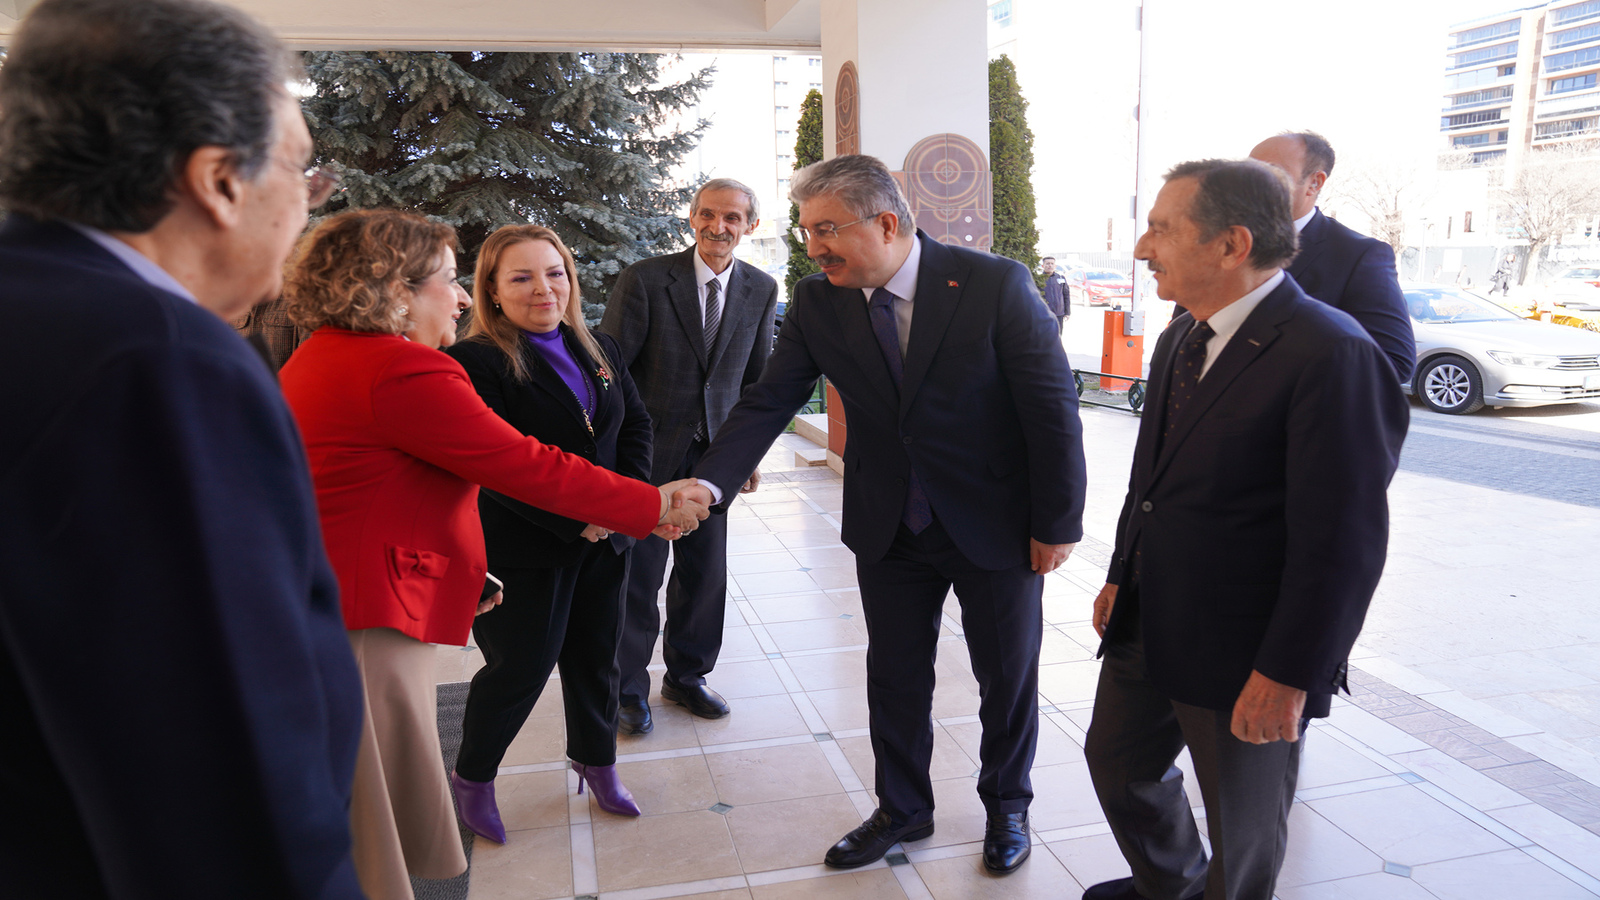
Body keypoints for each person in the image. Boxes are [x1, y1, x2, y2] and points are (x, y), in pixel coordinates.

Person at [0, 1, 367, 896]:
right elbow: (226, 764)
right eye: (303, 170)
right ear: (219, 180)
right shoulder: (156, 362)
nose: (307, 200)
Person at [675, 154, 1087, 874]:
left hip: (994, 520)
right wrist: (709, 484)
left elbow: (1052, 409)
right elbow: (769, 401)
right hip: (888, 523)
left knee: (1006, 676)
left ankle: (1007, 805)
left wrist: (1057, 523)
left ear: (887, 223)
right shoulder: (818, 301)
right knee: (894, 677)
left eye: (827, 229)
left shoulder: (993, 284)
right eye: (807, 231)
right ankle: (903, 808)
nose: (814, 247)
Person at [278, 209, 707, 899]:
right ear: (393, 289)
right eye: (448, 281)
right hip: (368, 612)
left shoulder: (327, 353)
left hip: (348, 596)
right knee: (371, 813)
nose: (458, 298)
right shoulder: (403, 369)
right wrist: (652, 506)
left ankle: (590, 763)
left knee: (366, 796)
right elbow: (523, 466)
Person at [1081, 159, 1408, 900]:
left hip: (1249, 649)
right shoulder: (1180, 338)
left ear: (1231, 244)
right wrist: (1120, 575)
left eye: (1162, 230)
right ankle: (1171, 886)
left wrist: (1289, 674)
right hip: (1149, 615)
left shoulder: (1331, 351)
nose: (1142, 248)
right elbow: (1150, 480)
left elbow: (1344, 544)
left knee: (1243, 828)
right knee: (1118, 765)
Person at [445, 224, 655, 840]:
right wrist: (578, 517)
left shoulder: (599, 347)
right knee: (518, 671)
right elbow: (494, 467)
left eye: (555, 272)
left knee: (597, 661)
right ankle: (473, 777)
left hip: (606, 543)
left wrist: (620, 508)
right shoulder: (475, 362)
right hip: (525, 548)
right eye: (522, 277)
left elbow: (635, 427)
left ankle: (597, 762)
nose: (544, 289)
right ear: (492, 289)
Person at [599, 178, 780, 733]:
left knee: (704, 578)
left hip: (714, 460)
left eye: (732, 218)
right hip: (647, 455)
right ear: (693, 217)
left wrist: (744, 458)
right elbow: (611, 372)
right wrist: (615, 456)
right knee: (639, 577)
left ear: (750, 226)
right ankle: (628, 690)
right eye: (708, 214)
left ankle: (687, 677)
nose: (717, 227)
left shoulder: (761, 288)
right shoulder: (646, 280)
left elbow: (756, 383)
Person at [1247, 131, 1415, 382]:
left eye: (1271, 172)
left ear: (1314, 183)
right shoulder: (1221, 242)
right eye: (1247, 172)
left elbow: (1394, 362)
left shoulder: (1358, 255)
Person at [1042, 256, 1071, 332]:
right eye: (1047, 263)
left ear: (1055, 266)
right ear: (1043, 266)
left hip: (1059, 314)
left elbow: (1066, 295)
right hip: (1044, 314)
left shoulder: (1061, 278)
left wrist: (1067, 312)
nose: (1050, 265)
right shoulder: (1039, 280)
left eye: (1052, 264)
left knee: (1058, 335)